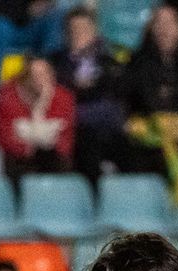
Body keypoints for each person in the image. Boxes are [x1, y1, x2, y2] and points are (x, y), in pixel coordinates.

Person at [49, 9, 130, 179]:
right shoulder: (55, 63)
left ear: (94, 32)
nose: (78, 34)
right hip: (73, 128)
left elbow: (115, 97)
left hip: (105, 126)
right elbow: (56, 95)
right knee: (86, 142)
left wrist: (81, 90)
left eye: (83, 29)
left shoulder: (110, 63)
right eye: (74, 30)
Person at [0, 56, 76, 179]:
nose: (39, 80)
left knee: (54, 158)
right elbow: (5, 137)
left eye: (44, 74)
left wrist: (41, 106)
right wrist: (33, 143)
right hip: (18, 158)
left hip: (51, 158)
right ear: (25, 77)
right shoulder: (6, 98)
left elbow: (64, 140)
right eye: (34, 75)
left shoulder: (64, 98)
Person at [0, 0, 68, 93]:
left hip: (22, 24)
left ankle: (48, 85)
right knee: (0, 26)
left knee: (57, 16)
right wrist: (25, 10)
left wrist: (41, 5)